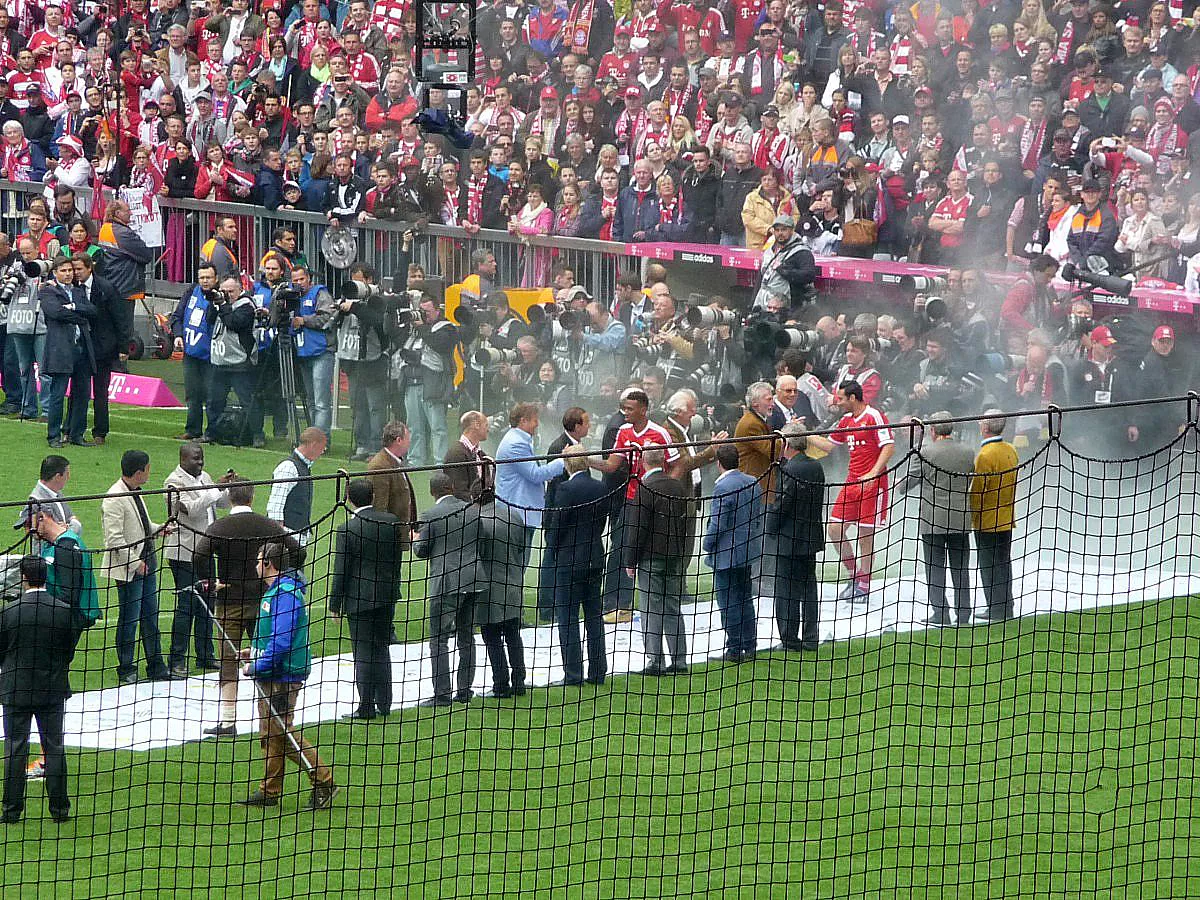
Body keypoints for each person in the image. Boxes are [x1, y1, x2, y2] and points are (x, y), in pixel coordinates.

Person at [194, 481, 303, 737]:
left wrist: (211, 582)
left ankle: (228, 721)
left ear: (230, 498)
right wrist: (280, 576)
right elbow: (298, 551)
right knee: (265, 655)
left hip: (229, 602)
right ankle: (270, 715)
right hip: (263, 602)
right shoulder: (267, 525)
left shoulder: (219, 527)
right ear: (252, 497)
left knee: (228, 661)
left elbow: (198, 556)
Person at [236, 541, 337, 810]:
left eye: (259, 560)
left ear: (269, 563)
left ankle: (323, 779)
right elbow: (272, 638)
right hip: (274, 672)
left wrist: (256, 666)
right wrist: (254, 652)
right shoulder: (277, 592)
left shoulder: (285, 595)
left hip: (282, 675)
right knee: (271, 733)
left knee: (281, 732)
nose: (256, 564)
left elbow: (281, 642)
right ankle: (269, 790)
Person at [0, 556, 75, 825]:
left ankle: (10, 811)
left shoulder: (9, 611)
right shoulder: (63, 610)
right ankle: (59, 810)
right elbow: (68, 652)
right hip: (52, 689)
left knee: (15, 747)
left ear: (23, 577)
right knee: (53, 746)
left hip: (15, 690)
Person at [807, 380, 895, 603]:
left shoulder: (874, 416)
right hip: (851, 483)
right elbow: (828, 446)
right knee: (834, 529)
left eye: (841, 398)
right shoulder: (846, 420)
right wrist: (803, 434)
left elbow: (889, 446)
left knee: (866, 535)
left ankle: (864, 585)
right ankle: (854, 575)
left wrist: (873, 473)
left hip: (873, 484)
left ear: (853, 398)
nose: (837, 402)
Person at [329, 479, 403, 721]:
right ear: (372, 496)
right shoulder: (390, 522)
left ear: (349, 499)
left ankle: (366, 706)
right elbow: (396, 562)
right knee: (381, 647)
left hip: (358, 600)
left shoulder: (347, 529)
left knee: (363, 652)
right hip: (386, 596)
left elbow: (341, 570)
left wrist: (334, 605)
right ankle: (384, 702)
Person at [102, 450, 174, 685]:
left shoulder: (134, 493)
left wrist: (159, 529)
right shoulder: (114, 497)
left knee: (150, 617)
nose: (149, 472)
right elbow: (114, 539)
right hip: (130, 570)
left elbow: (141, 525)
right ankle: (126, 668)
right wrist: (135, 563)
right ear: (139, 472)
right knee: (129, 619)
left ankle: (156, 665)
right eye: (148, 468)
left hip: (147, 565)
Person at [413, 473, 484, 707]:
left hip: (446, 583)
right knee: (467, 637)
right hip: (473, 580)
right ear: (452, 487)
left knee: (439, 639)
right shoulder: (473, 510)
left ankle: (442, 694)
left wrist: (416, 539)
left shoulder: (430, 515)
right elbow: (480, 541)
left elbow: (422, 550)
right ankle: (464, 691)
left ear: (433, 492)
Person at [622, 446, 691, 676]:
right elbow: (685, 523)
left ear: (643, 462)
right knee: (672, 607)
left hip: (651, 558)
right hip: (674, 556)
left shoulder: (645, 489)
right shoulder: (677, 486)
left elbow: (637, 529)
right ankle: (679, 660)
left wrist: (630, 561)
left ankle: (656, 661)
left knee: (651, 609)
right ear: (664, 461)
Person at [163, 442, 230, 677]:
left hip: (205, 551)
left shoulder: (205, 477)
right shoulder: (173, 482)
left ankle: (205, 655)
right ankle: (176, 660)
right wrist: (214, 490)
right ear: (183, 458)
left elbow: (220, 503)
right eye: (195, 459)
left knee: (208, 603)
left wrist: (227, 488)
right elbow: (191, 510)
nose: (200, 463)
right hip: (183, 552)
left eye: (201, 458)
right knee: (187, 606)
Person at [547, 445, 612, 686]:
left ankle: (573, 674)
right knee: (594, 617)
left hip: (569, 562)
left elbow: (558, 526)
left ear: (567, 464)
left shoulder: (565, 489)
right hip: (595, 557)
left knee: (568, 618)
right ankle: (598, 672)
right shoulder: (601, 487)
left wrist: (552, 552)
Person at [703, 444, 763, 662]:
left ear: (719, 463)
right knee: (745, 598)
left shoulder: (722, 487)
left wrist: (707, 545)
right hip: (747, 550)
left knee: (728, 602)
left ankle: (734, 648)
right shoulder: (752, 481)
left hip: (726, 554)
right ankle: (750, 645)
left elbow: (718, 524)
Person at [767, 422, 825, 651]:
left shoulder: (790, 470)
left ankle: (789, 639)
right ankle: (811, 637)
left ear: (786, 444)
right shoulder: (815, 466)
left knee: (786, 590)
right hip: (810, 536)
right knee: (809, 589)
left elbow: (782, 503)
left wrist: (770, 527)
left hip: (789, 538)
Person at [915, 413, 976, 626]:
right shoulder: (968, 451)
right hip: (960, 518)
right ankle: (964, 614)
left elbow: (909, 482)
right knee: (961, 569)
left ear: (932, 431)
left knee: (935, 568)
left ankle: (941, 612)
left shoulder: (925, 452)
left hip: (933, 520)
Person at [494, 402, 567, 575]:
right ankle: (511, 599)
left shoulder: (519, 439)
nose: (537, 424)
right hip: (518, 512)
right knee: (517, 565)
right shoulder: (516, 444)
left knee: (518, 564)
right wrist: (562, 460)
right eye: (535, 420)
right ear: (523, 421)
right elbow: (534, 474)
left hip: (520, 511)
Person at [39, 254, 96, 449]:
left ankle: (76, 434)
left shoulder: (79, 291)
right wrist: (79, 317)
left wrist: (73, 308)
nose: (68, 274)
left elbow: (92, 310)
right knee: (58, 394)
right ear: (55, 273)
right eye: (63, 271)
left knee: (82, 394)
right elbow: (55, 312)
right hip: (61, 349)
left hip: (81, 348)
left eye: (70, 270)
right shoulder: (48, 292)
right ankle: (53, 435)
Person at [71, 252, 128, 446]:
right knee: (78, 390)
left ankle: (100, 432)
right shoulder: (72, 287)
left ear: (89, 267)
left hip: (103, 347)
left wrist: (122, 345)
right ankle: (71, 428)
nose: (75, 273)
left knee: (101, 392)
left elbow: (120, 318)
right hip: (81, 347)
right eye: (73, 269)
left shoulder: (105, 287)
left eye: (79, 269)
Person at [476, 496, 529, 698]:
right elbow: (522, 547)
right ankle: (519, 682)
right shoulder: (514, 515)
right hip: (514, 583)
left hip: (490, 588)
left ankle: (501, 684)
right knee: (513, 635)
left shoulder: (479, 520)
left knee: (492, 637)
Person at [970, 410, 1019, 623]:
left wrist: (972, 515)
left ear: (985, 427)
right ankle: (1007, 605)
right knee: (1003, 563)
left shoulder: (985, 455)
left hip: (987, 519)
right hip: (1007, 514)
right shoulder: (1011, 450)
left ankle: (995, 608)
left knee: (989, 565)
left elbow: (979, 490)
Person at [169, 263, 219, 441]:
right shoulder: (191, 292)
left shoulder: (220, 297)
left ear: (216, 279)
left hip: (212, 355)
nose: (205, 281)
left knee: (212, 395)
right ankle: (192, 430)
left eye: (209, 277)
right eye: (202, 277)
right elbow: (176, 317)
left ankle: (213, 432)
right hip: (191, 353)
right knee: (193, 393)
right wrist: (178, 335)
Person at [288, 266, 337, 438]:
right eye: (295, 280)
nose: (298, 283)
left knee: (321, 401)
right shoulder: (291, 297)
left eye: (301, 279)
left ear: (309, 278)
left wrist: (304, 320)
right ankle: (314, 438)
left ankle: (322, 441)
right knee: (310, 399)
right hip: (303, 352)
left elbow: (328, 316)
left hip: (321, 351)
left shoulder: (319, 293)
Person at [266, 426, 328, 544]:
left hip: (296, 534)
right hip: (287, 535)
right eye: (322, 447)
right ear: (313, 445)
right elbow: (276, 504)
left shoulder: (303, 467)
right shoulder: (288, 467)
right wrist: (278, 537)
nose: (323, 451)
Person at [443, 410, 491, 502]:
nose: (488, 429)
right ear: (476, 425)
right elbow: (458, 491)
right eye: (485, 425)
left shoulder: (481, 454)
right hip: (466, 511)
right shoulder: (455, 454)